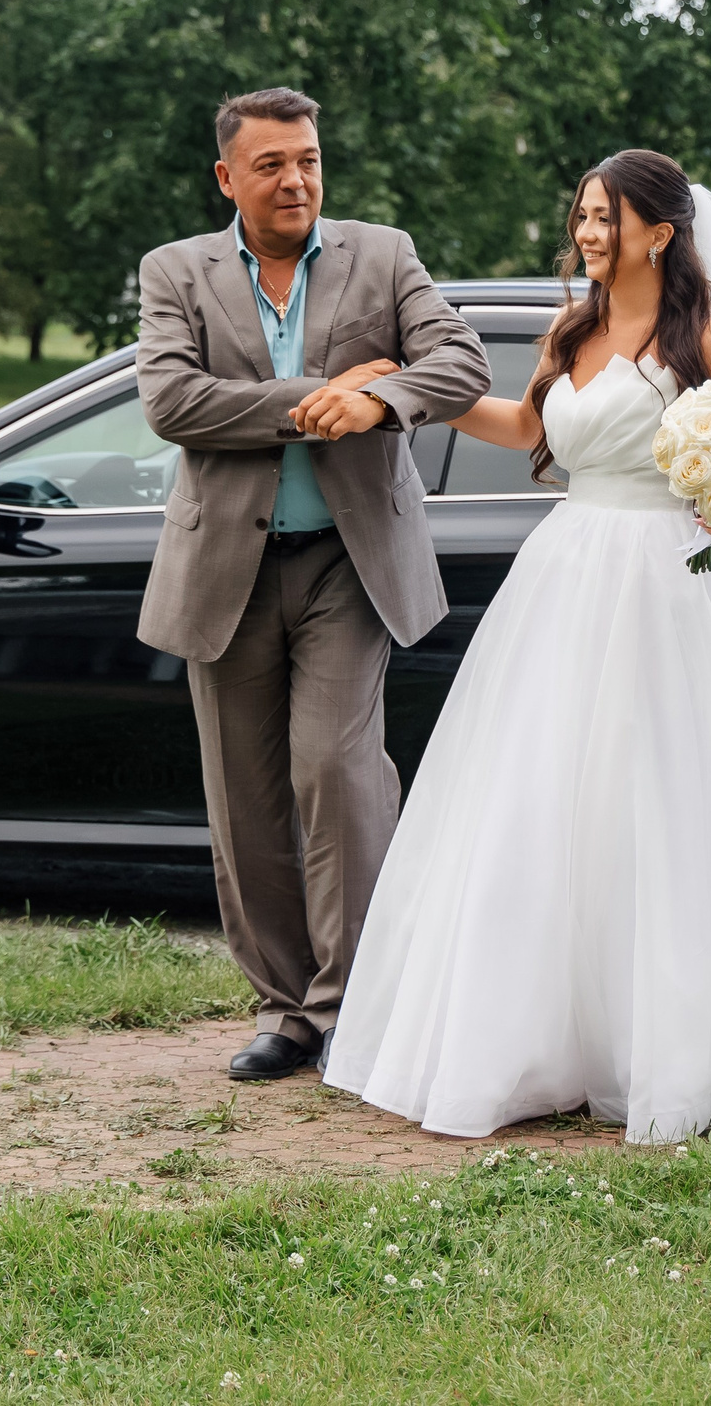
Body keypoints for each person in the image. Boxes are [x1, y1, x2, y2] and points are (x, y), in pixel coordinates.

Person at [322, 149, 711, 1142]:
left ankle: (688, 1046)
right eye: (581, 215)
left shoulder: (709, 342)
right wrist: (404, 391)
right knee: (548, 800)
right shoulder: (569, 329)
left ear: (659, 230)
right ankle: (547, 1042)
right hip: (569, 572)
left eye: (605, 216)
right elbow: (523, 425)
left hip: (672, 586)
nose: (586, 232)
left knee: (672, 804)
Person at [135, 87, 490, 1082]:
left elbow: (457, 364)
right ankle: (284, 1012)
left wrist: (380, 396)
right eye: (270, 165)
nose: (294, 180)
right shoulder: (175, 272)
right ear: (226, 178)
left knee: (334, 774)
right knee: (245, 802)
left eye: (308, 160)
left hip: (347, 563)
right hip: (226, 575)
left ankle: (354, 1003)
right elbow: (171, 400)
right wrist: (328, 397)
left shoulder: (383, 254)